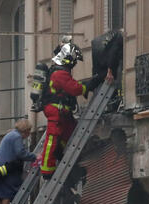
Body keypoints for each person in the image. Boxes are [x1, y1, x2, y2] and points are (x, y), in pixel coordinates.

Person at [39, 38, 105, 177]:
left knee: (71, 132)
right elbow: (74, 89)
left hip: (62, 111)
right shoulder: (60, 74)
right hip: (56, 111)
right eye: (74, 61)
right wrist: (91, 84)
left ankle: (62, 154)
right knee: (52, 139)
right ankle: (47, 169)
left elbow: (71, 86)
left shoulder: (58, 72)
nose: (74, 64)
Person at [0, 119, 37, 204]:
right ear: (26, 130)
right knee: (9, 190)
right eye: (29, 131)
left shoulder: (10, 134)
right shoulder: (17, 137)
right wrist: (35, 156)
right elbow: (20, 153)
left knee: (1, 191)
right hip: (7, 168)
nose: (29, 134)